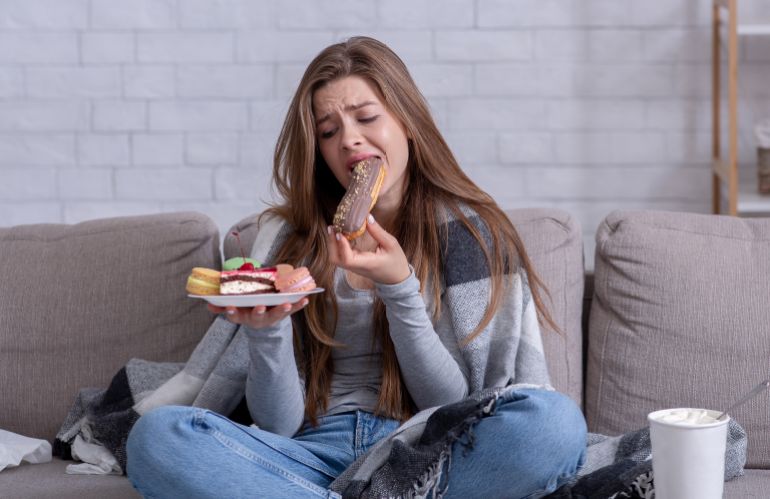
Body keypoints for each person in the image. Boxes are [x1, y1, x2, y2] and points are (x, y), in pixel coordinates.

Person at [126, 36, 586, 499]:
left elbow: (452, 405)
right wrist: (266, 331)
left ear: (407, 121)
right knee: (158, 438)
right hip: (306, 457)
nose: (348, 139)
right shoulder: (287, 243)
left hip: (424, 455)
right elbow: (279, 424)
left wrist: (400, 286)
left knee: (554, 425)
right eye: (328, 132)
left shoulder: (472, 237)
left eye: (366, 118)